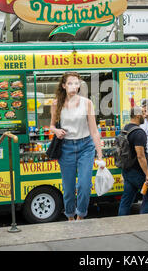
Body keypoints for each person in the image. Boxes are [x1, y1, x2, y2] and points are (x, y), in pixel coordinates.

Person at [50, 72, 103, 221]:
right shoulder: (56, 104)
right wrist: (56, 131)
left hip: (85, 146)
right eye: (70, 83)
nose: (74, 86)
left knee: (84, 185)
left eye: (76, 83)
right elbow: (51, 126)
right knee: (68, 189)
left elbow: (94, 131)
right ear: (64, 86)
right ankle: (70, 217)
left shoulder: (87, 103)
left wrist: (100, 156)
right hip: (66, 147)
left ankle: (80, 216)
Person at [118, 106, 148, 216]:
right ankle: (146, 222)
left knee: (126, 200)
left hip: (127, 170)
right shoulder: (139, 133)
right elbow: (140, 156)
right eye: (143, 113)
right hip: (138, 172)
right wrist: (147, 175)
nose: (145, 116)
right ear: (137, 115)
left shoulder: (125, 129)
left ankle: (121, 223)